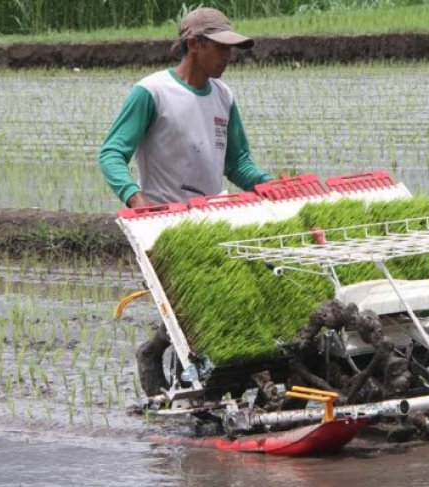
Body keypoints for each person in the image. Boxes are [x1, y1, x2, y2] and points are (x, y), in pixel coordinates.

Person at [99, 7, 272, 397]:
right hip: (164, 224)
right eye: (221, 48)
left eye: (232, 49)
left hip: (211, 220)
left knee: (223, 301)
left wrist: (266, 184)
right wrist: (136, 199)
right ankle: (175, 375)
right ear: (194, 44)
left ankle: (188, 374)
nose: (229, 56)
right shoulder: (153, 92)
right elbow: (111, 153)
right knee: (195, 309)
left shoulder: (224, 97)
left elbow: (238, 162)